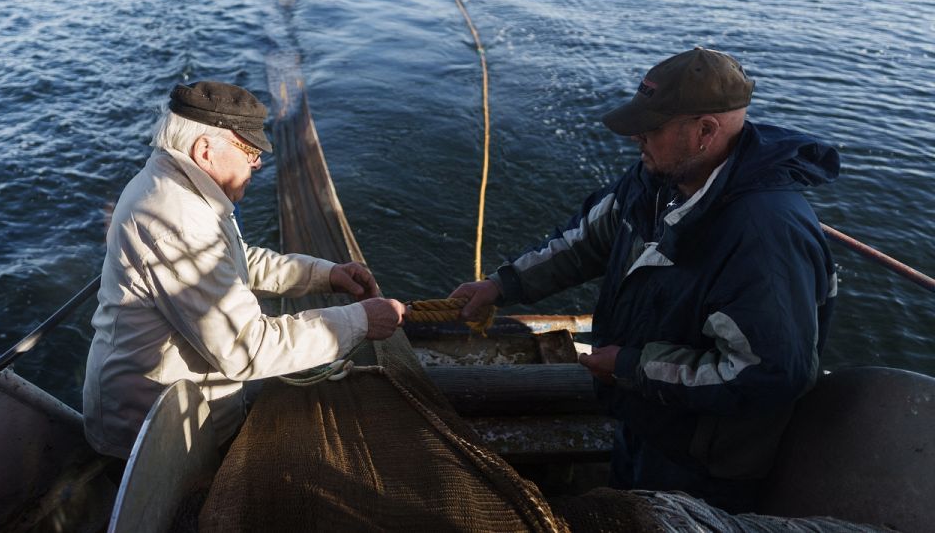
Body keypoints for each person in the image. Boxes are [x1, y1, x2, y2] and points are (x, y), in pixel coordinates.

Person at [450, 47, 839, 512]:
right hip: (644, 415)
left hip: (703, 461)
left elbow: (769, 372)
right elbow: (586, 241)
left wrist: (632, 366)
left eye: (651, 128)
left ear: (705, 131)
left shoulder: (764, 239)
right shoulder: (657, 179)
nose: (637, 136)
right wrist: (501, 285)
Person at [83, 80, 407, 458]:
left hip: (188, 406)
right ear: (205, 151)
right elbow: (246, 349)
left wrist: (324, 273)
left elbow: (235, 261)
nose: (257, 161)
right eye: (249, 150)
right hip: (150, 436)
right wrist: (360, 321)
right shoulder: (176, 221)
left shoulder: (184, 187)